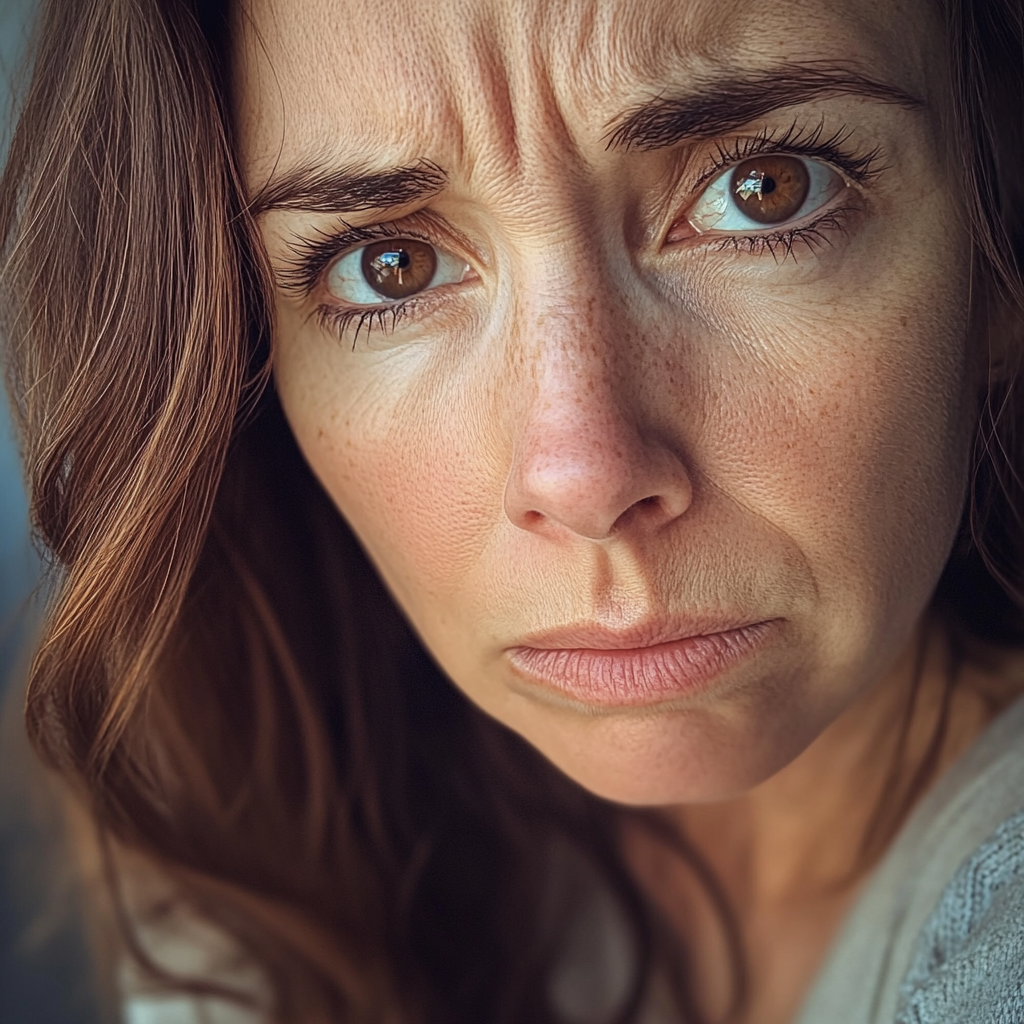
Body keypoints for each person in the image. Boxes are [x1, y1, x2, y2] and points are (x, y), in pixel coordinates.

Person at [2, 0, 1023, 1021]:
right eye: (388, 264)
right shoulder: (259, 834)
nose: (582, 476)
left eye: (765, 192)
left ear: (999, 254)